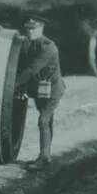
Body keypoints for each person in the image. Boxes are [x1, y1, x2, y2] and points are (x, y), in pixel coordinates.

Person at [15, 15, 65, 171]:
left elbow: (31, 69)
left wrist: (13, 85)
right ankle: (47, 155)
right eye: (28, 28)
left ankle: (43, 158)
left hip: (53, 90)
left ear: (41, 29)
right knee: (46, 121)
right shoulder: (29, 45)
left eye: (33, 29)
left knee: (43, 120)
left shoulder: (48, 47)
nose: (30, 32)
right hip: (40, 90)